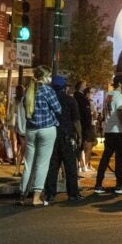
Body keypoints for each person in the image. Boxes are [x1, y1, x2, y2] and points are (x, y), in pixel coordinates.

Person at [19, 65, 61, 206]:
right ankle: (36, 197)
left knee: (28, 163)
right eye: (49, 75)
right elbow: (58, 109)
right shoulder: (48, 91)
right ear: (44, 76)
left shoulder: (29, 91)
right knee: (42, 164)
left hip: (31, 130)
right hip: (47, 129)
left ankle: (22, 196)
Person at [44, 75, 83, 203]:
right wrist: (79, 135)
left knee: (52, 166)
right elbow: (76, 120)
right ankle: (73, 193)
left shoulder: (49, 100)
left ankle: (50, 193)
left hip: (52, 135)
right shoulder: (70, 101)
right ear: (64, 88)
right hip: (67, 136)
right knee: (70, 165)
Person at [94, 74, 122, 194]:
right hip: (118, 130)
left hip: (108, 129)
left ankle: (98, 184)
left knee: (105, 158)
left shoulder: (108, 95)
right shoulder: (119, 96)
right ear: (120, 83)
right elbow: (121, 112)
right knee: (119, 159)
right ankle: (119, 185)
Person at [74, 81, 95, 173]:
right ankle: (80, 166)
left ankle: (81, 165)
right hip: (83, 125)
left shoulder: (78, 98)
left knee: (81, 146)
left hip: (83, 125)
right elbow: (85, 114)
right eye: (85, 85)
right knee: (81, 146)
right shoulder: (80, 99)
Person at [9, 84, 27, 177]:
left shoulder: (18, 102)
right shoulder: (25, 102)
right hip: (26, 128)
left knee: (21, 149)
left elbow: (11, 113)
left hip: (20, 127)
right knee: (25, 149)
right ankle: (23, 170)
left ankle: (17, 169)